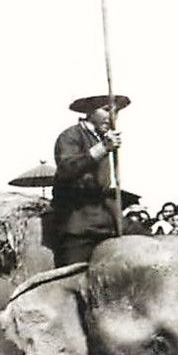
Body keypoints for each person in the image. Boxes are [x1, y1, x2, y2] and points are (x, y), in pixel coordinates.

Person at [48, 94, 128, 264]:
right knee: (73, 275)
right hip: (78, 222)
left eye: (116, 111)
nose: (112, 116)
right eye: (106, 110)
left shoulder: (102, 138)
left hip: (105, 218)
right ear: (89, 111)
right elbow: (67, 168)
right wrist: (103, 149)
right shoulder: (70, 136)